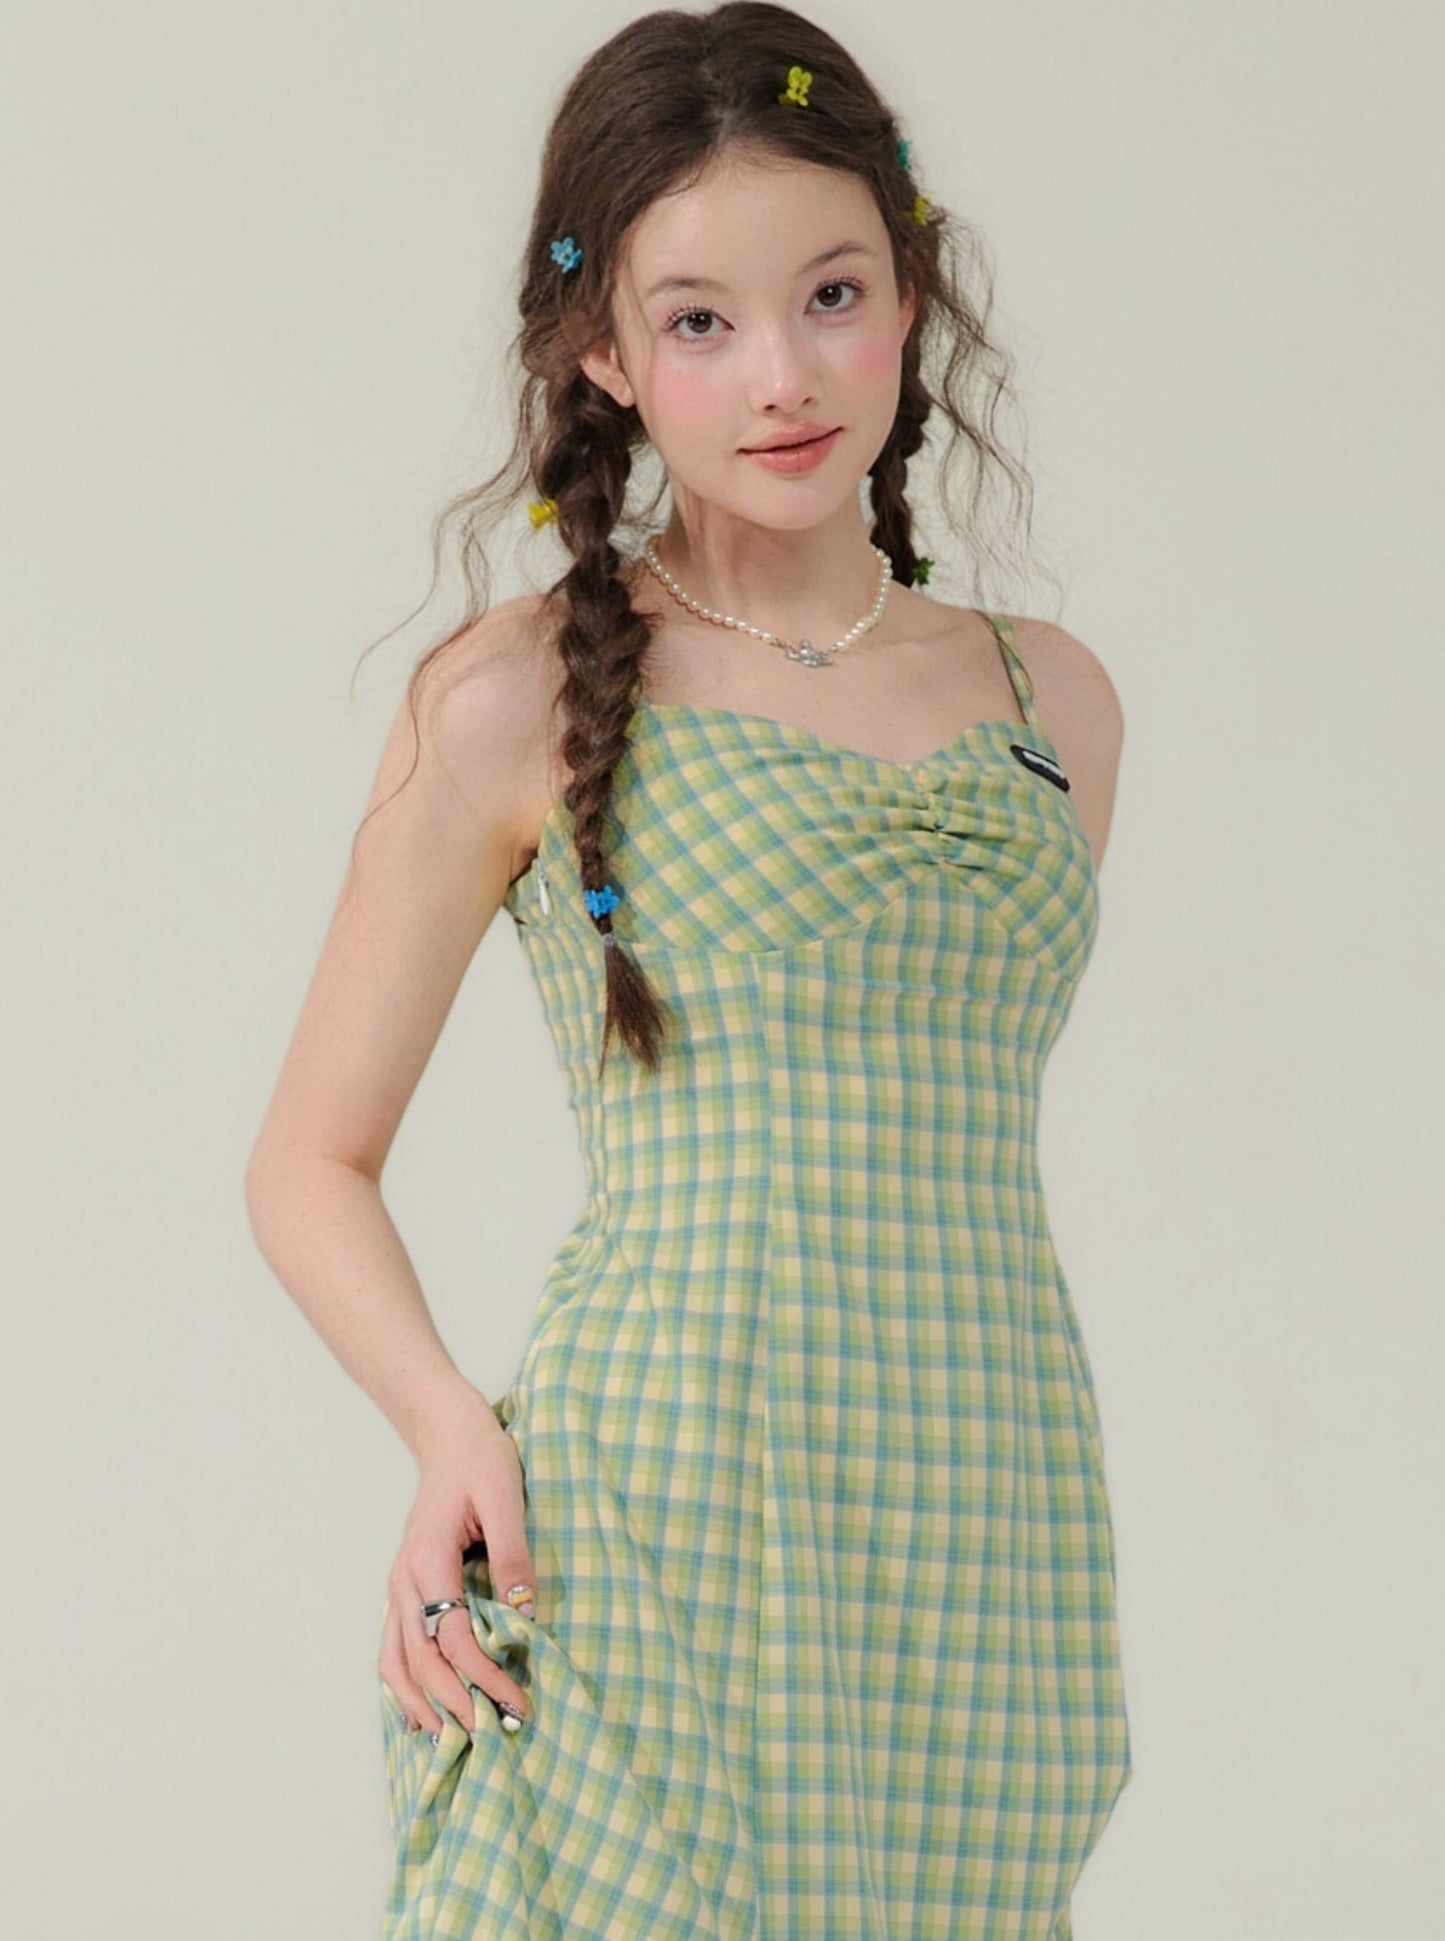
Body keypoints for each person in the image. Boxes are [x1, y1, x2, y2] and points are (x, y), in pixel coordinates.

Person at [243, 5, 1133, 1936]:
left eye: (831, 293)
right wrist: (451, 1429)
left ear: (910, 286)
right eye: (701, 321)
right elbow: (306, 1159)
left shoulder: (1052, 702)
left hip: (984, 1514)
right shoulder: (516, 697)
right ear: (604, 351)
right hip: (658, 1507)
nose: (783, 375)